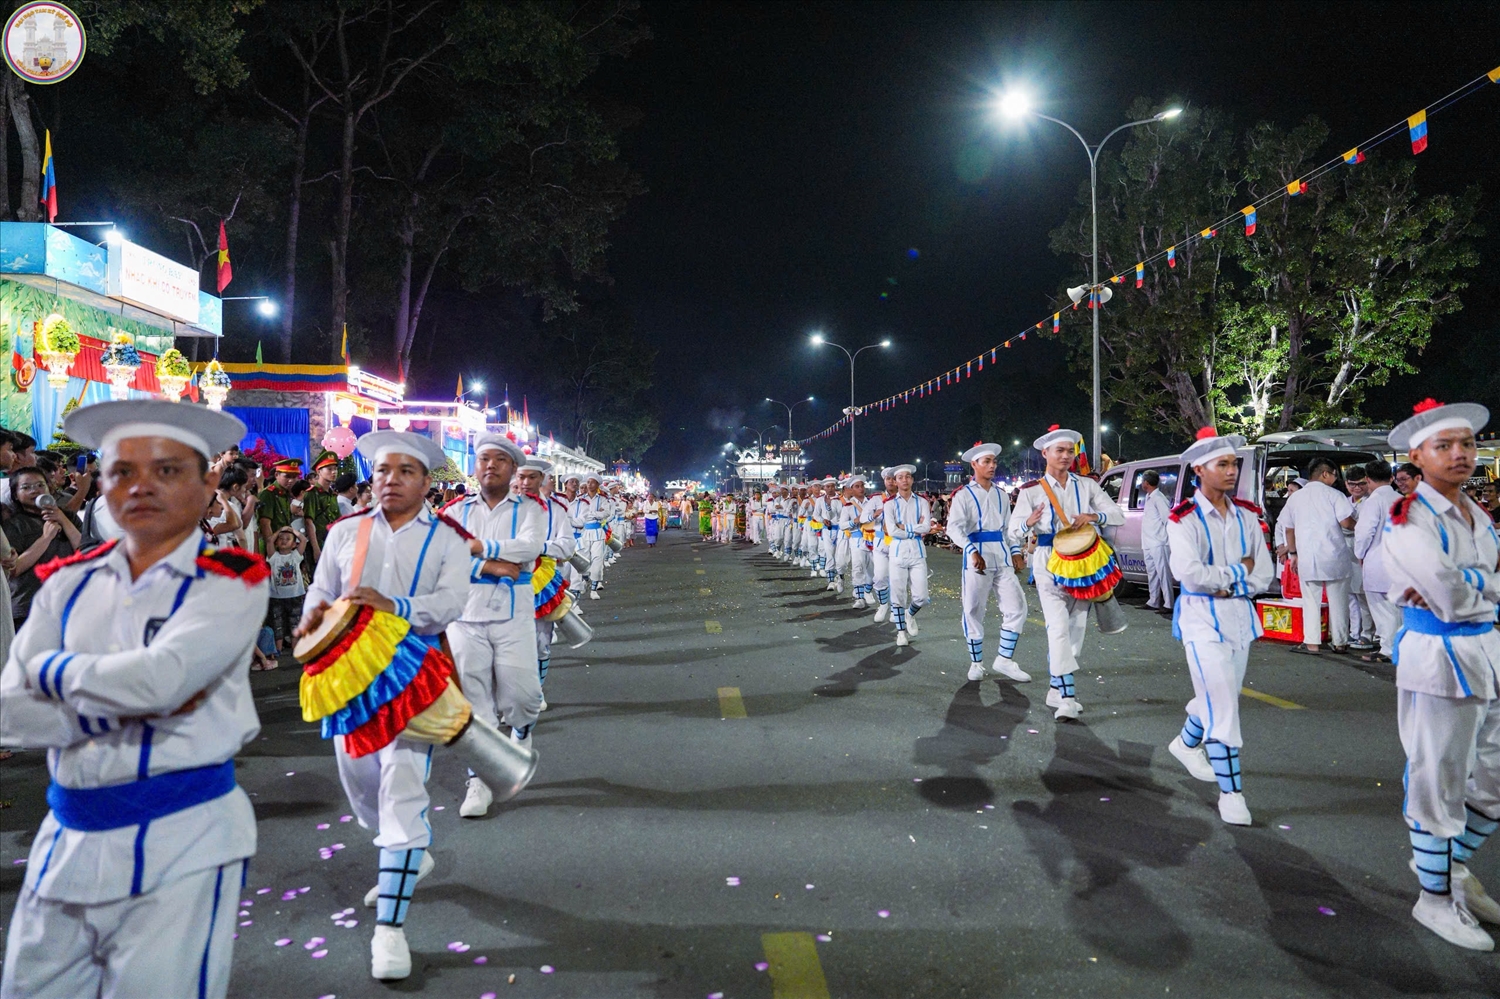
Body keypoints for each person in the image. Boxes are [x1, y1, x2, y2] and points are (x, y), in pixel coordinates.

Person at [0, 400, 265, 999]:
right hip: (67, 838)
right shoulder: (66, 582)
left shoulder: (229, 578)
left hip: (184, 839)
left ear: (206, 486)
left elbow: (162, 679)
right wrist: (136, 700)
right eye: (121, 472)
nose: (139, 486)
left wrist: (51, 671)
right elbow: (9, 711)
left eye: (167, 470)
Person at [297, 430, 471, 981]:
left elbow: (449, 605)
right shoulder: (345, 532)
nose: (389, 480)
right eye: (381, 471)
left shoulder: (448, 538)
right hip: (349, 681)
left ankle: (391, 930)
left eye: (404, 471)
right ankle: (410, 854)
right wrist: (313, 622)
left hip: (413, 677)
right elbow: (320, 590)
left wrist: (391, 604)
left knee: (400, 788)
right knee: (362, 785)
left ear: (425, 481)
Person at [1380, 400, 1500, 951]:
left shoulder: (1478, 515)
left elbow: (1457, 585)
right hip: (1439, 661)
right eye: (1444, 446)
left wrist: (1465, 582)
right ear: (1416, 456)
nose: (1460, 455)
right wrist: (1474, 585)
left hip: (1490, 653)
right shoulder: (1409, 517)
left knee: (1495, 783)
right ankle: (1433, 899)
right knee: (1439, 784)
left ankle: (1449, 870)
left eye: (1467, 445)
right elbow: (1450, 600)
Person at [1163, 428, 1274, 827]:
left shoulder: (1248, 516)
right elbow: (1188, 575)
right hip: (1200, 620)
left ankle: (1185, 742)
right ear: (1199, 469)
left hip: (1240, 619)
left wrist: (1229, 578)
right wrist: (1236, 572)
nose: (1231, 471)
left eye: (1233, 464)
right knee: (1223, 703)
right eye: (1222, 464)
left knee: (1219, 696)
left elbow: (1264, 574)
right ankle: (1232, 793)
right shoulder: (1183, 519)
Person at [443, 435, 546, 818]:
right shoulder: (455, 509)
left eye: (499, 460)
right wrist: (490, 566)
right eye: (483, 458)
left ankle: (520, 732)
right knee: (475, 703)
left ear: (513, 469)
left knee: (522, 697)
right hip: (464, 616)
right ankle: (480, 781)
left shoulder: (529, 509)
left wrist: (477, 549)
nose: (490, 465)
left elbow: (531, 548)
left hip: (513, 616)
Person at [1008, 425, 1126, 721]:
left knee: (1076, 630)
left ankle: (1055, 686)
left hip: (1083, 565)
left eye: (1069, 451)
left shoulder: (1087, 486)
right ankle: (1068, 697)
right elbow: (1012, 529)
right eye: (1059, 451)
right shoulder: (1032, 491)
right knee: (1058, 627)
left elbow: (1117, 515)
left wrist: (1094, 516)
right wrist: (1027, 524)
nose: (1065, 456)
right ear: (1045, 453)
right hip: (1048, 562)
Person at [946, 443, 1029, 683]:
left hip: (1002, 558)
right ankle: (976, 663)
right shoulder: (963, 495)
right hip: (977, 559)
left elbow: (1008, 527)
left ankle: (1004, 659)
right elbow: (954, 528)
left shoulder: (1002, 494)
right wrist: (970, 550)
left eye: (994, 462)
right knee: (973, 609)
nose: (992, 466)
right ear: (974, 465)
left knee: (1017, 607)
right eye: (987, 462)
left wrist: (1015, 551)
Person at [1281, 458, 1358, 655]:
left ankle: (1312, 643)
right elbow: (1347, 523)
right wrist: (1361, 526)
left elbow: (1288, 529)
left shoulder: (1295, 498)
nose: (1334, 478)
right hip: (1334, 556)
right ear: (1325, 474)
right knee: (1339, 601)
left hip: (1307, 556)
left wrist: (1293, 553)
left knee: (1310, 602)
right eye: (1333, 474)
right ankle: (1340, 642)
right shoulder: (1335, 495)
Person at [522, 458, 575, 712]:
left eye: (532, 477)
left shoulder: (556, 510)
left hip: (542, 580)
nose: (524, 483)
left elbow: (567, 545)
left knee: (540, 643)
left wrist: (541, 548)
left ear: (541, 480)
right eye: (520, 477)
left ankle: (536, 691)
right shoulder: (500, 508)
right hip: (504, 583)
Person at [2, 467, 82, 629]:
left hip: (70, 602)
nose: (35, 491)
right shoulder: (14, 525)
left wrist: (62, 519)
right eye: (26, 487)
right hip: (29, 607)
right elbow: (13, 569)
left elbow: (87, 552)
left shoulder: (69, 517)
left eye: (40, 485)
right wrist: (46, 538)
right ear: (16, 495)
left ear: (49, 488)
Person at [1354, 460, 1401, 664]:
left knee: (1382, 609)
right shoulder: (1401, 499)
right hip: (1400, 561)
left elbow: (1364, 532)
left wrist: (1360, 553)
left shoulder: (1373, 501)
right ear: (1391, 478)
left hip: (1377, 559)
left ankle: (1388, 648)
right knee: (1398, 608)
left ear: (1368, 479)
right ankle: (1399, 646)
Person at [882, 465, 930, 648]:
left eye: (907, 477)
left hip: (917, 551)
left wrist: (905, 527)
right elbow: (892, 530)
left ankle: (909, 614)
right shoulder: (889, 504)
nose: (904, 480)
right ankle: (901, 632)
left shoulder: (923, 502)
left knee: (922, 597)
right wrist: (914, 528)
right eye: (900, 477)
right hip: (897, 552)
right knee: (898, 594)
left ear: (912, 480)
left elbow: (926, 528)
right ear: (895, 481)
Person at [266, 526, 308, 653]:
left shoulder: (296, 556)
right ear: (276, 542)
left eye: (288, 539)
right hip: (277, 596)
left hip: (295, 595)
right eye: (281, 539)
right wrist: (279, 530)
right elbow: (269, 541)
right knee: (277, 622)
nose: (284, 541)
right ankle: (278, 647)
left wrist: (292, 530)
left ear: (294, 544)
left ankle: (295, 646)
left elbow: (304, 540)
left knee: (295, 621)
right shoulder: (273, 557)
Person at [1140, 468, 1174, 613]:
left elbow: (1168, 520)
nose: (1142, 484)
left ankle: (1169, 603)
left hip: (1158, 542)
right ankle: (1153, 600)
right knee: (1152, 573)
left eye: (1142, 481)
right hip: (1148, 542)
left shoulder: (1159, 498)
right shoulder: (1150, 497)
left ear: (1146, 483)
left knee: (1163, 574)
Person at [304, 451, 344, 562]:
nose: (334, 472)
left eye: (335, 469)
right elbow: (308, 522)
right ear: (319, 471)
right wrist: (316, 549)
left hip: (332, 543)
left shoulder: (332, 494)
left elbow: (337, 520)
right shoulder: (312, 494)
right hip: (319, 542)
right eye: (329, 469)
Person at [256, 457, 301, 555]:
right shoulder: (268, 494)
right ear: (277, 475)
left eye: (294, 477)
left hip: (283, 545)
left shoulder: (285, 493)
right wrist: (271, 550)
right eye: (287, 476)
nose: (291, 480)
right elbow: (265, 524)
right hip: (272, 547)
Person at [869, 469, 898, 621]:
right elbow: (863, 518)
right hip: (880, 542)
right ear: (884, 481)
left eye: (894, 478)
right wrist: (875, 514)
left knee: (896, 579)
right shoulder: (875, 499)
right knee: (880, 577)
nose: (891, 481)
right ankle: (883, 604)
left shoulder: (904, 498)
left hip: (898, 543)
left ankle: (895, 609)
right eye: (888, 478)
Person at [576, 475, 610, 599]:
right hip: (584, 532)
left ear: (597, 485)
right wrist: (596, 514)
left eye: (592, 482)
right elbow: (578, 514)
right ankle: (585, 579)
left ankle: (594, 589)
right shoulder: (580, 499)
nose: (589, 485)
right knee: (584, 559)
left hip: (597, 532)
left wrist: (591, 515)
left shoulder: (602, 499)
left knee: (597, 559)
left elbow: (606, 513)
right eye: (588, 482)